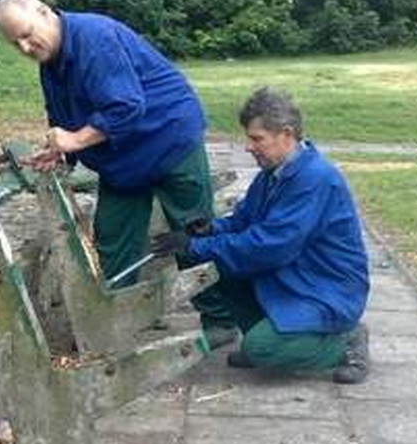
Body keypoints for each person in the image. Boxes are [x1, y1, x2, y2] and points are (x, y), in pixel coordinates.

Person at [0, 0, 236, 346]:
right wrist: (61, 154)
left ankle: (221, 321)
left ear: (45, 12)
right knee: (112, 241)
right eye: (17, 44)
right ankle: (116, 325)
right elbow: (63, 118)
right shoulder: (51, 66)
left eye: (28, 35)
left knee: (192, 232)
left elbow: (125, 106)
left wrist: (75, 141)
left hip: (169, 139)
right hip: (123, 161)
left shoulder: (95, 38)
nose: (27, 48)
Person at [152, 87, 371, 383]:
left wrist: (196, 246)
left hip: (326, 291)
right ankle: (279, 343)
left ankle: (346, 341)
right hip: (297, 277)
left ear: (287, 134)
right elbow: (245, 220)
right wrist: (209, 229)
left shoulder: (315, 179)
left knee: (260, 348)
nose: (248, 147)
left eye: (257, 139)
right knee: (219, 268)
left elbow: (270, 247)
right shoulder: (274, 174)